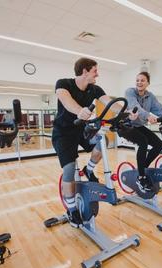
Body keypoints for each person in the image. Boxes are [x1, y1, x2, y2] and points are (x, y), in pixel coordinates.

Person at [52, 57, 137, 225]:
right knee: (69, 170)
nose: (97, 75)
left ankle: (89, 169)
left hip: (81, 129)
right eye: (95, 71)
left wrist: (127, 113)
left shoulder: (95, 89)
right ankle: (71, 209)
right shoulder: (63, 84)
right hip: (63, 133)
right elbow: (67, 102)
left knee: (102, 140)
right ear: (84, 71)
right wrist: (79, 111)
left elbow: (110, 103)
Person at [119, 71, 162, 193]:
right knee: (143, 142)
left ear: (148, 83)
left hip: (138, 125)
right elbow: (135, 106)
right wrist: (148, 116)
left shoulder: (150, 96)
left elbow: (160, 109)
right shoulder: (130, 92)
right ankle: (141, 177)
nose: (139, 82)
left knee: (159, 144)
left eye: (142, 80)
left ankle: (142, 168)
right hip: (125, 125)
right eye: (137, 80)